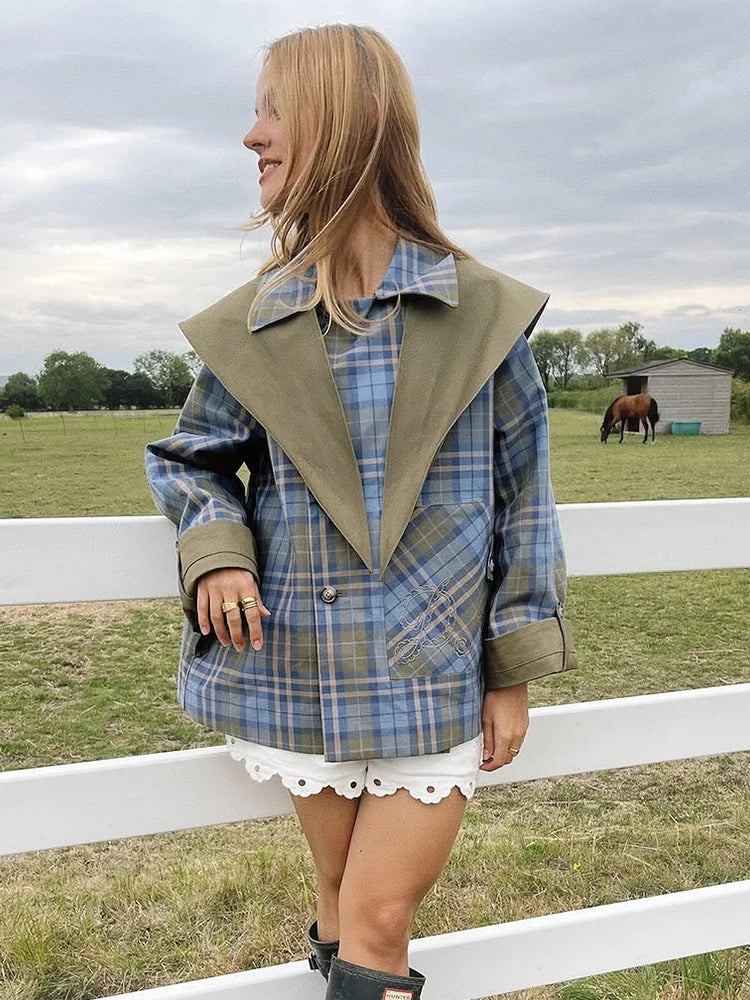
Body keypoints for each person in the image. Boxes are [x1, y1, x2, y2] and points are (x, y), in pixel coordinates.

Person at [145, 23, 577, 1000]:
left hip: (434, 673)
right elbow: (190, 459)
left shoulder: (481, 316)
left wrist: (511, 671)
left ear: (356, 118)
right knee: (340, 897)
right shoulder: (255, 321)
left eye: (272, 107)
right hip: (301, 670)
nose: (250, 137)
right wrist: (216, 552)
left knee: (381, 916)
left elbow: (525, 505)